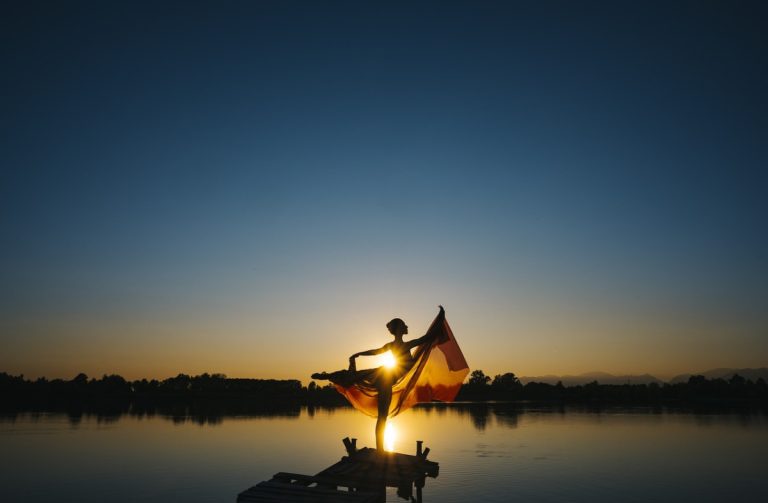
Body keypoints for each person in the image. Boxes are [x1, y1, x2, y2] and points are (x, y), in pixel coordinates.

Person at [313, 306, 445, 452]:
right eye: (404, 325)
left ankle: (327, 375)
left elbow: (377, 351)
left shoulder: (395, 345)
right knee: (381, 415)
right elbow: (425, 338)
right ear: (400, 330)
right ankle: (380, 450)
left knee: (377, 408)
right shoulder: (406, 344)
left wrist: (359, 354)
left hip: (385, 376)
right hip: (385, 377)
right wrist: (440, 318)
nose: (407, 326)